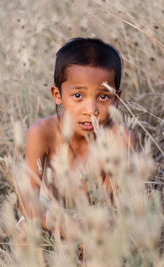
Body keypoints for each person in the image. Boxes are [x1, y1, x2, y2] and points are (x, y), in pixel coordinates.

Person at [20, 37, 135, 234]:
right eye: (78, 96)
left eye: (103, 96)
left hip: (93, 217)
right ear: (58, 95)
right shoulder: (41, 133)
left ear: (116, 99)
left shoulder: (120, 139)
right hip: (47, 214)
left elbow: (113, 207)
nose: (90, 110)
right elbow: (27, 202)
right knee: (24, 234)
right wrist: (60, 225)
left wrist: (88, 230)